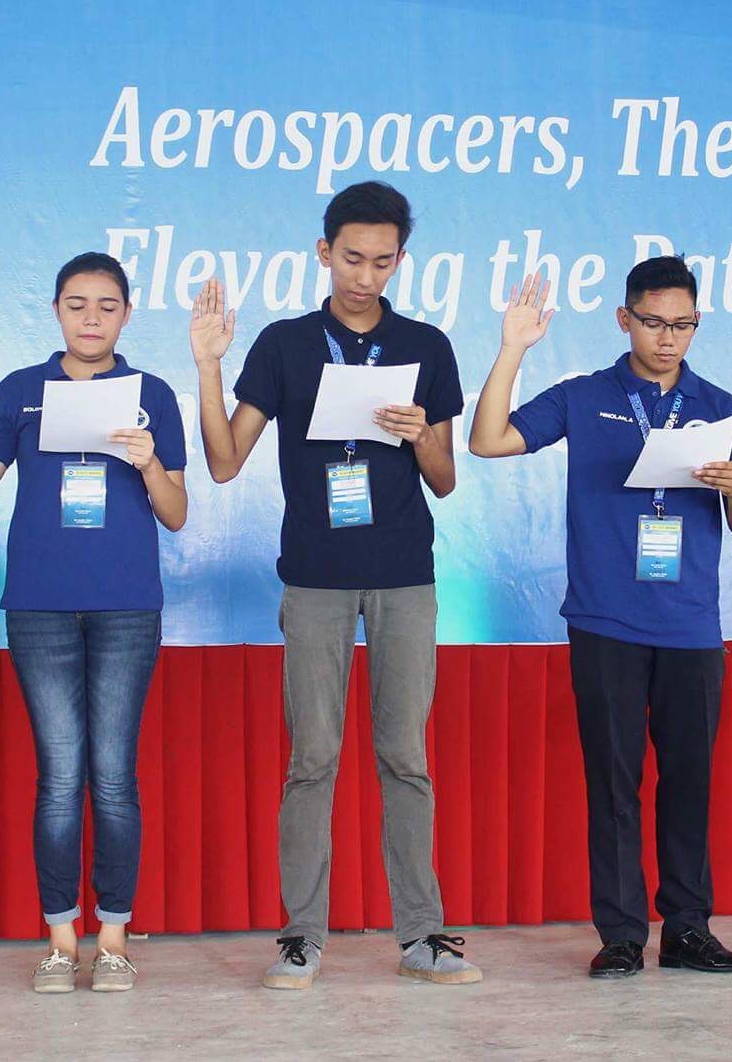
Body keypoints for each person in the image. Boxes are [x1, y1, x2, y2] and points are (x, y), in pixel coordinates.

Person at [189, 180, 479, 990]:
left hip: (403, 575)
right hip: (315, 576)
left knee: (405, 755)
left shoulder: (426, 345)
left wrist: (421, 436)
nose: (365, 275)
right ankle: (301, 936)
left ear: (400, 260)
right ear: (324, 252)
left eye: (382, 261)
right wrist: (208, 365)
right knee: (313, 757)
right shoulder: (285, 344)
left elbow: (446, 478)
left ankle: (422, 934)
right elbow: (224, 460)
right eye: (352, 257)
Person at [468, 259, 732, 980]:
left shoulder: (718, 406)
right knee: (613, 783)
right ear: (624, 319)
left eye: (683, 325)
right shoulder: (585, 396)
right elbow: (488, 440)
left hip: (691, 626)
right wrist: (513, 348)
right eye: (654, 322)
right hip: (605, 621)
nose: (668, 338)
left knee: (689, 781)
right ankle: (620, 934)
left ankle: (689, 929)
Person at [0, 251, 188, 993]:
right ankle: (60, 939)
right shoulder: (23, 391)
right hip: (40, 606)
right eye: (77, 304)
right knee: (59, 775)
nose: (91, 318)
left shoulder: (152, 395)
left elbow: (176, 512)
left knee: (113, 775)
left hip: (126, 607)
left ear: (127, 313)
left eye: (107, 306)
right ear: (55, 310)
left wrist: (149, 464)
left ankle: (112, 937)